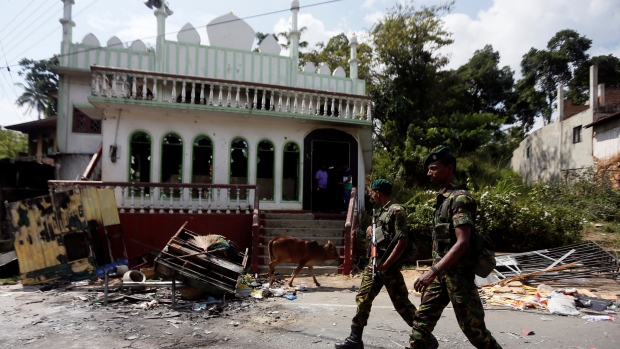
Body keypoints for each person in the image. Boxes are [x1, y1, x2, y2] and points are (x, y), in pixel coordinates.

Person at [408, 147, 502, 349]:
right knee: (421, 323)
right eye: (428, 169)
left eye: (433, 168)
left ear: (449, 168)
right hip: (441, 276)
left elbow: (463, 242)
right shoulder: (443, 199)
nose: (428, 173)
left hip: (458, 277)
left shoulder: (460, 198)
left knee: (474, 330)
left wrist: (432, 271)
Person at [335, 179, 438, 349]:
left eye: (372, 192)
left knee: (402, 305)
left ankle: (426, 338)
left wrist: (387, 264)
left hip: (388, 267)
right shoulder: (381, 213)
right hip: (375, 265)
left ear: (378, 192)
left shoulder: (396, 210)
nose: (371, 196)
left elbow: (402, 241)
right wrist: (370, 231)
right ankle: (355, 339)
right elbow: (381, 237)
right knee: (363, 299)